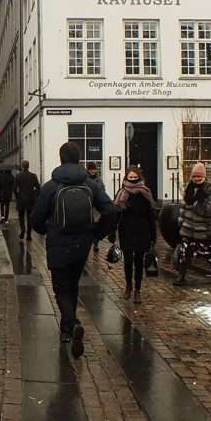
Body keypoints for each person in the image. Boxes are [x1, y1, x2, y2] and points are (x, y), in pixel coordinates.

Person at [32, 142, 116, 358]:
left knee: (61, 288)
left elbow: (36, 219)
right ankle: (66, 329)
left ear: (61, 158)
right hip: (82, 244)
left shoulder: (51, 186)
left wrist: (46, 230)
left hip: (58, 243)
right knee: (73, 284)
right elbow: (111, 210)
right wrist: (97, 233)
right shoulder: (90, 185)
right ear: (79, 159)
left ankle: (73, 323)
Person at [175, 162, 211, 286]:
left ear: (204, 176)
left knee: (208, 253)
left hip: (203, 229)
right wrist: (181, 221)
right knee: (185, 253)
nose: (197, 179)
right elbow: (184, 207)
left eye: (199, 177)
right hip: (188, 228)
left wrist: (199, 203)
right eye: (195, 177)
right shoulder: (189, 188)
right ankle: (181, 276)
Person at [115, 166, 157, 303]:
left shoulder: (145, 193)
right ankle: (128, 286)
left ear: (139, 177)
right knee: (127, 261)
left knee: (139, 262)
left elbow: (151, 215)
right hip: (126, 230)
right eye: (130, 177)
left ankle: (137, 290)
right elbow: (117, 214)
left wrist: (153, 235)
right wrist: (112, 231)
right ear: (126, 178)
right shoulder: (121, 193)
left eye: (135, 177)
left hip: (142, 230)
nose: (132, 180)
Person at [13, 160, 40, 242]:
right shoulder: (33, 176)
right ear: (28, 166)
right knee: (29, 217)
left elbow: (14, 188)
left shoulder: (18, 176)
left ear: (22, 166)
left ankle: (22, 229)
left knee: (21, 216)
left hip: (21, 199)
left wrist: (17, 196)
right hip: (31, 200)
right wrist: (34, 195)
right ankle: (29, 235)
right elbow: (38, 187)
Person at [86, 162, 102, 253]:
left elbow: (102, 191)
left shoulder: (99, 180)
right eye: (90, 169)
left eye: (94, 169)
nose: (92, 171)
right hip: (88, 205)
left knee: (96, 226)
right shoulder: (85, 180)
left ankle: (96, 243)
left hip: (96, 206)